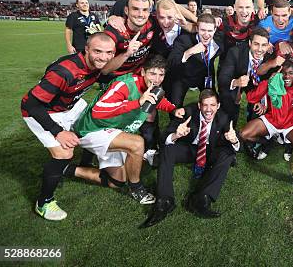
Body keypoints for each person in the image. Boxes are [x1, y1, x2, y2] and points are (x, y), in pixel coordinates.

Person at [21, 33, 115, 220]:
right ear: (86, 49)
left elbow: (104, 77)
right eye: (97, 51)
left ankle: (85, 164)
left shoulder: (97, 65)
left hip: (70, 106)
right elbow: (32, 104)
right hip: (43, 111)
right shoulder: (64, 71)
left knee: (94, 125)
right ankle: (44, 202)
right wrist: (58, 132)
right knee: (64, 153)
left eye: (109, 53)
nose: (103, 57)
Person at [71, 55, 183, 205]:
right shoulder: (124, 84)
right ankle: (136, 188)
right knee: (137, 144)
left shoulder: (154, 88)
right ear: (143, 72)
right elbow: (98, 111)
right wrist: (137, 102)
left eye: (161, 74)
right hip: (92, 129)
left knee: (117, 181)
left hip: (113, 130)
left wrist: (173, 109)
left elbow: (158, 100)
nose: (157, 79)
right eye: (153, 73)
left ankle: (67, 169)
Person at [141, 89, 239, 227]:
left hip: (209, 151)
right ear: (199, 106)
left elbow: (236, 143)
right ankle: (164, 201)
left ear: (218, 105)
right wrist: (176, 135)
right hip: (190, 149)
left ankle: (202, 198)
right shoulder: (186, 113)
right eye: (205, 105)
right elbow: (164, 138)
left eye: (212, 105)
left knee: (227, 154)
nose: (208, 110)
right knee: (168, 147)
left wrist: (234, 140)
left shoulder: (224, 117)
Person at [240, 61, 293, 161]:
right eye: (283, 73)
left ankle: (292, 154)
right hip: (271, 120)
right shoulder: (273, 83)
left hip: (290, 124)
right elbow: (252, 98)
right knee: (244, 135)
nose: (287, 76)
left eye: (290, 73)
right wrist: (268, 81)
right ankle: (267, 142)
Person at [217, 27, 271, 125]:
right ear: (250, 43)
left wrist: (263, 101)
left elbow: (269, 82)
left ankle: (252, 131)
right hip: (238, 79)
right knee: (229, 97)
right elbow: (223, 78)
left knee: (258, 109)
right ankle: (228, 126)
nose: (259, 49)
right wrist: (236, 82)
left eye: (264, 45)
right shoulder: (235, 52)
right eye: (256, 44)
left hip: (256, 85)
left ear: (268, 46)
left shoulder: (270, 58)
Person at [167, 14, 222, 107]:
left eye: (210, 31)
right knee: (175, 107)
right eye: (203, 30)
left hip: (205, 76)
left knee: (212, 103)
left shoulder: (219, 40)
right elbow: (171, 62)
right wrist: (188, 52)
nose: (206, 34)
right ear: (197, 29)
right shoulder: (184, 40)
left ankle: (208, 121)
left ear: (215, 30)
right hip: (182, 77)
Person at [102, 0, 158, 77]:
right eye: (135, 9)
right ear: (126, 11)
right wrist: (127, 53)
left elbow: (171, 9)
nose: (140, 14)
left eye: (145, 10)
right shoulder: (114, 31)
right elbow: (104, 70)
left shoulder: (153, 24)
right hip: (116, 77)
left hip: (139, 74)